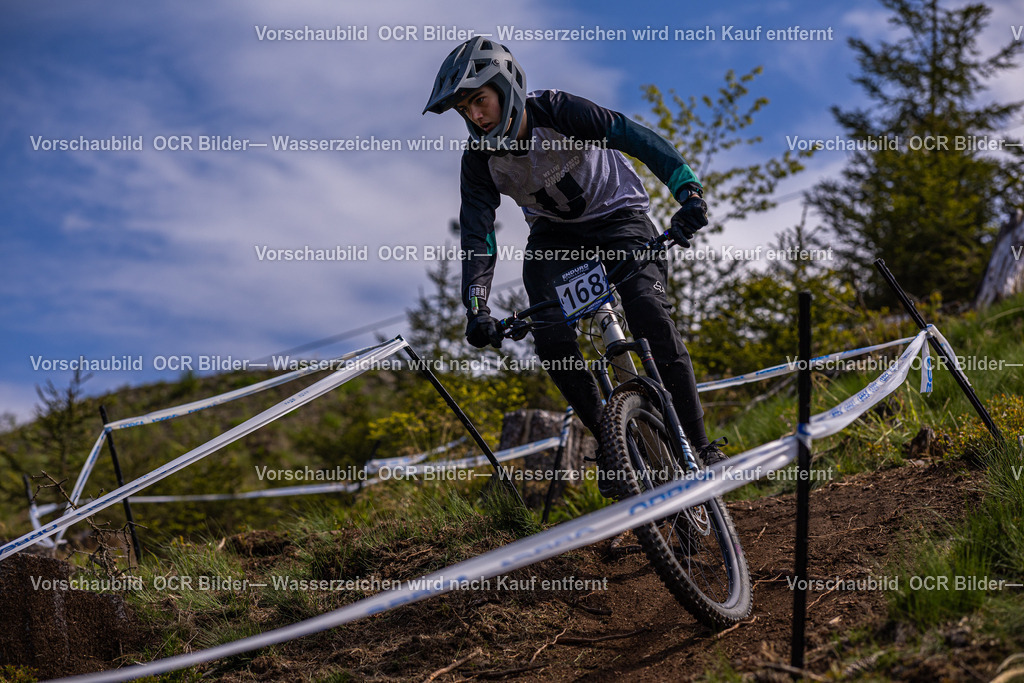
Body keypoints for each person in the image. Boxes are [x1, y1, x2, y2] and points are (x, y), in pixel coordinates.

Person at [423, 38, 724, 497]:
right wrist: (476, 307)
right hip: (556, 239)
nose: (475, 117)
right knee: (551, 337)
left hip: (619, 217)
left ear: (506, 88)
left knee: (647, 309)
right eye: (465, 110)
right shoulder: (479, 161)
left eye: (479, 101)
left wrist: (689, 192)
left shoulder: (560, 110)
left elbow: (634, 136)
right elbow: (477, 233)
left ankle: (700, 446)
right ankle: (612, 441)